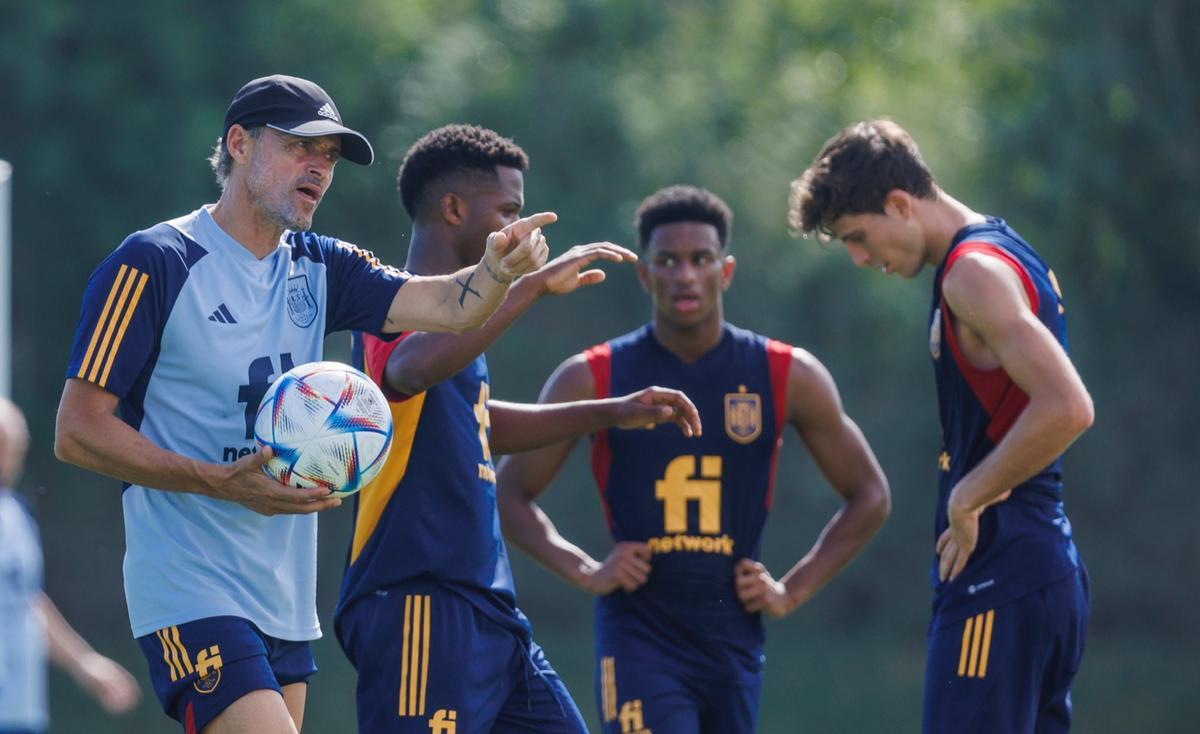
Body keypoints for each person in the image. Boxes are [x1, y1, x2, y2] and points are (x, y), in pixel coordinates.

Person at [53, 76, 554, 734]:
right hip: (189, 588)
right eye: (301, 148)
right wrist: (218, 483)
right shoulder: (155, 262)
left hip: (285, 601)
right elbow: (76, 432)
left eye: (329, 157)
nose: (320, 167)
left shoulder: (323, 265)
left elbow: (449, 306)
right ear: (238, 143)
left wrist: (498, 270)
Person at [334, 124, 702, 734]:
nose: (522, 229)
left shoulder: (462, 331)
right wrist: (525, 284)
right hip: (418, 600)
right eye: (509, 212)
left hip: (491, 613)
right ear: (453, 209)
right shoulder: (389, 302)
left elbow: (478, 424)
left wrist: (609, 412)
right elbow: (405, 370)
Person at [496, 185, 892, 734]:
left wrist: (792, 590)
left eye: (700, 260)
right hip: (639, 636)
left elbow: (870, 496)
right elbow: (509, 494)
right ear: (645, 275)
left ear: (725, 272)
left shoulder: (786, 373)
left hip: (733, 639)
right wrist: (586, 569)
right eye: (668, 261)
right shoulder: (593, 375)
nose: (685, 275)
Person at [789, 119, 1093, 733]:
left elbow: (1069, 406)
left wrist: (967, 495)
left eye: (857, 235)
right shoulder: (1004, 246)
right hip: (1044, 570)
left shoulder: (970, 274)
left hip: (1000, 576)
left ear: (900, 204)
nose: (858, 257)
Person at [1, 397, 141, 733]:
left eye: (14, 446)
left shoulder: (16, 515)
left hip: (20, 710)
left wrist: (84, 663)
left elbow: (27, 602)